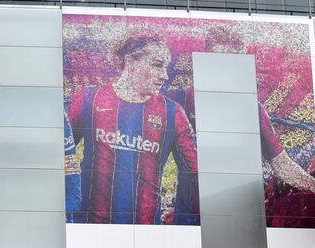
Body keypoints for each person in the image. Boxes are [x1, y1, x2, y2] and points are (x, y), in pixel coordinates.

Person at [170, 24, 315, 223]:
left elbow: (283, 166)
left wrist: (313, 185)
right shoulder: (181, 100)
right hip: (189, 219)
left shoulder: (253, 108)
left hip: (237, 218)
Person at [67, 30, 198, 224]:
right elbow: (61, 156)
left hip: (145, 233)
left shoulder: (172, 112)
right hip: (90, 229)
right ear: (130, 62)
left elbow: (195, 171)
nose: (164, 75)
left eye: (166, 67)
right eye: (156, 65)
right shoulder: (90, 98)